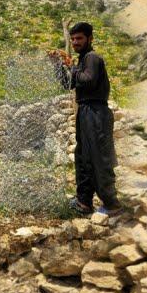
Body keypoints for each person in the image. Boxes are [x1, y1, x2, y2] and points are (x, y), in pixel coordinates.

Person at [53, 22, 120, 215]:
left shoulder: (92, 58)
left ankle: (112, 205)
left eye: (79, 38)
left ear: (90, 38)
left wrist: (72, 68)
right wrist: (57, 65)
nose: (75, 42)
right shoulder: (82, 60)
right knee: (82, 157)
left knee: (99, 158)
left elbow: (88, 80)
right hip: (85, 112)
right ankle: (83, 202)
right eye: (73, 39)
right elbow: (68, 84)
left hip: (96, 112)